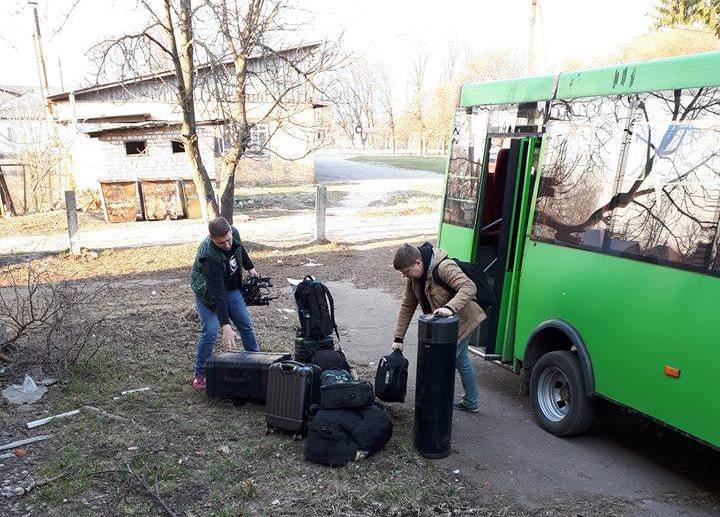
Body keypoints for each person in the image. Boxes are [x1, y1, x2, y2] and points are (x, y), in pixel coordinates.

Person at [391, 242, 485, 413]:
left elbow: (469, 287)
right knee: (461, 360)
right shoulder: (414, 277)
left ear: (418, 263)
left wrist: (449, 308)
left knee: (440, 366)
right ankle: (471, 402)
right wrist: (398, 338)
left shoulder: (444, 267)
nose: (405, 276)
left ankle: (437, 410)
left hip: (462, 321)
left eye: (406, 271)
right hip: (443, 327)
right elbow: (408, 305)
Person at [190, 216, 260, 389]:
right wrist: (226, 326)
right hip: (208, 292)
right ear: (212, 238)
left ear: (230, 231)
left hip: (231, 288)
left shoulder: (233, 233)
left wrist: (249, 267)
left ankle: (259, 365)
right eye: (222, 243)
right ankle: (201, 374)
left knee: (245, 325)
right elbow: (217, 295)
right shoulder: (209, 256)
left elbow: (238, 248)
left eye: (228, 240)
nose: (227, 245)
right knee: (211, 331)